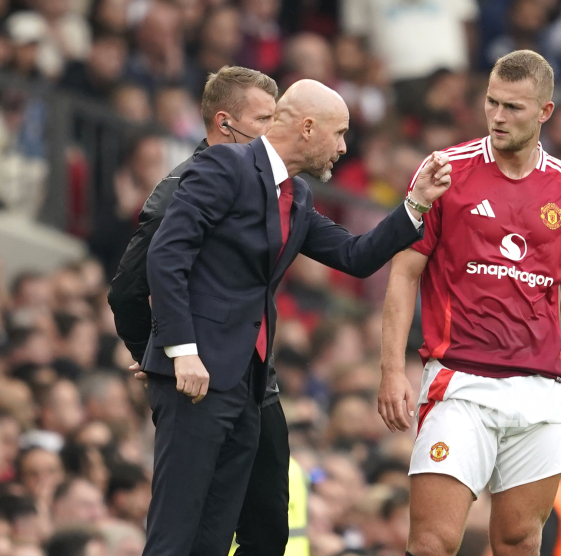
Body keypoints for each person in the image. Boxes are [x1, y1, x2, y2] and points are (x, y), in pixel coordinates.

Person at [141, 77, 452, 556]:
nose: (344, 147)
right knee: (175, 533)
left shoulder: (298, 197)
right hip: (195, 376)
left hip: (246, 383)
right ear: (308, 128)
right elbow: (166, 255)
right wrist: (181, 350)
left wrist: (417, 205)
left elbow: (356, 255)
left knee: (213, 536)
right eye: (339, 133)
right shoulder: (226, 164)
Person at [377, 50, 561, 556]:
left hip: (540, 388)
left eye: (514, 108)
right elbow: (404, 272)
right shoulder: (446, 171)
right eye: (491, 103)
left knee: (520, 541)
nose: (498, 117)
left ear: (545, 112)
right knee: (433, 541)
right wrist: (392, 367)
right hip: (460, 383)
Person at [108, 66, 288, 556]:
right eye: (265, 118)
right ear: (226, 123)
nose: (275, 131)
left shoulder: (274, 185)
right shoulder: (186, 184)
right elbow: (128, 288)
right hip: (202, 380)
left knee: (266, 528)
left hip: (255, 382)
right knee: (188, 532)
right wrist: (165, 352)